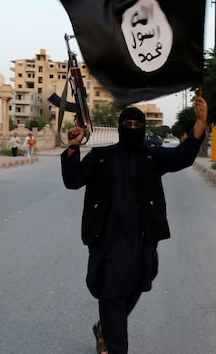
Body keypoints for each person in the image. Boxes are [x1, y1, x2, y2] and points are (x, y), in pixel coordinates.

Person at [62, 93, 207, 354]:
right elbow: (72, 180)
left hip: (141, 241)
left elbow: (182, 157)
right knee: (112, 296)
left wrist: (200, 123)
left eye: (137, 126)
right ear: (119, 128)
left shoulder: (151, 157)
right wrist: (73, 147)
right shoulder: (102, 157)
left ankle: (105, 327)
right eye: (127, 126)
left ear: (144, 129)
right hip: (107, 243)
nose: (132, 130)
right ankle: (112, 341)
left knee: (139, 282)